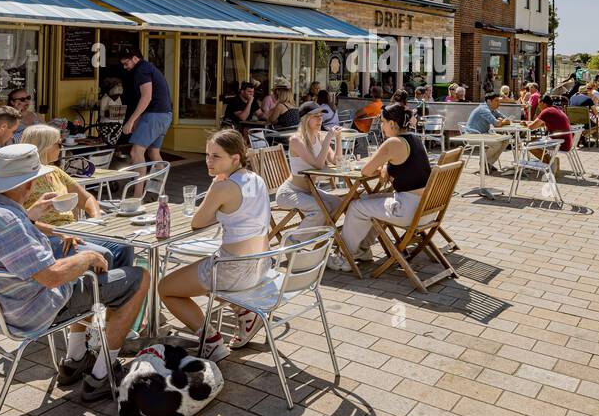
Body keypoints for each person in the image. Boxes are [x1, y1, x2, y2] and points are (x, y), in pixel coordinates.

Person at [0, 143, 149, 402]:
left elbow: (9, 246)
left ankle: (76, 357)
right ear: (29, 185)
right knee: (139, 277)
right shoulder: (7, 222)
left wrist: (31, 215)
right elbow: (51, 276)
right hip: (28, 311)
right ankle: (101, 376)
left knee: (89, 265)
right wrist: (86, 258)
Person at [158, 130, 271, 359]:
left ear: (235, 158)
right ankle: (246, 314)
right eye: (207, 155)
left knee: (165, 289)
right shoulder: (256, 179)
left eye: (216, 156)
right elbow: (232, 214)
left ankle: (211, 340)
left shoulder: (223, 186)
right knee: (202, 275)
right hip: (261, 265)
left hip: (232, 270)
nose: (209, 161)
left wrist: (215, 185)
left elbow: (197, 222)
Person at [18, 124, 136, 273]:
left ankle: (121, 290)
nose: (61, 148)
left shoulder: (55, 171)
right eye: (58, 143)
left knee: (125, 247)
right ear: (45, 146)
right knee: (102, 254)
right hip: (47, 236)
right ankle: (100, 292)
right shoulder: (23, 180)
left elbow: (87, 198)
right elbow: (21, 221)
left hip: (74, 230)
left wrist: (96, 218)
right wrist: (58, 232)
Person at [340, 104, 431, 264]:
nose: (380, 126)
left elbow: (366, 171)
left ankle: (344, 258)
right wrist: (385, 167)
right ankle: (361, 250)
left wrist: (382, 166)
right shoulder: (414, 139)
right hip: (427, 209)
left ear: (392, 123)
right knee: (368, 200)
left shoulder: (393, 143)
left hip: (409, 210)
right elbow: (400, 163)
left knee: (356, 206)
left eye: (382, 122)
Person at [276, 103, 347, 269]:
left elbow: (336, 161)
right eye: (316, 116)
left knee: (338, 204)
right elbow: (317, 165)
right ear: (305, 119)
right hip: (290, 193)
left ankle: (320, 247)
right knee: (319, 208)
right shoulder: (296, 140)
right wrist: (328, 138)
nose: (320, 119)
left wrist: (337, 139)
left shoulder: (320, 137)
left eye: (321, 116)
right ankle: (294, 241)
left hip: (310, 191)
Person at [117, 45, 173, 171]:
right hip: (165, 115)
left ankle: (138, 191)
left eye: (126, 63)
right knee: (153, 153)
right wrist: (137, 120)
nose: (125, 67)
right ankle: (159, 189)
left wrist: (130, 121)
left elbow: (146, 97)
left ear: (135, 58)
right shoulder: (148, 67)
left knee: (136, 152)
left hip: (154, 114)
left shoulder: (141, 70)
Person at [464, 91, 512, 169]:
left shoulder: (492, 109)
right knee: (497, 143)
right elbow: (497, 124)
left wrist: (503, 121)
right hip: (473, 135)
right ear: (489, 101)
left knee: (505, 140)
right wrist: (502, 122)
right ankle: (483, 163)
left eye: (499, 101)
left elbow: (504, 118)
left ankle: (488, 163)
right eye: (496, 101)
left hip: (483, 134)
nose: (498, 103)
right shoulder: (484, 109)